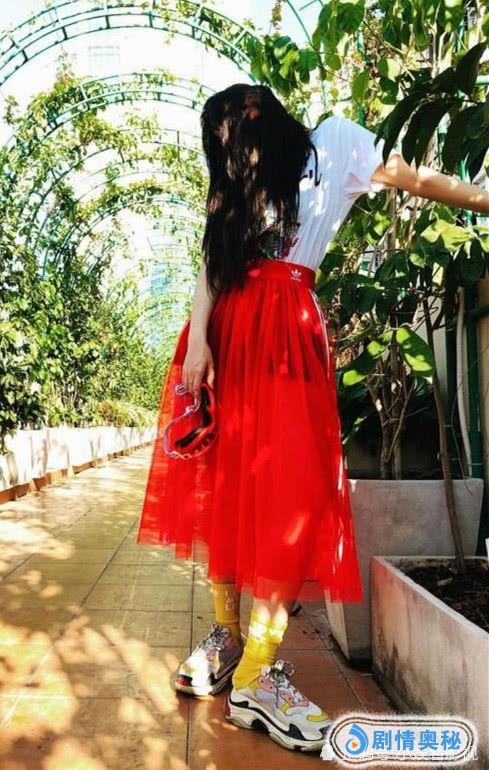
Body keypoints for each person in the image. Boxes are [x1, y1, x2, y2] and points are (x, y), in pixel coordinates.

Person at [136, 83, 489, 752]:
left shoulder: (336, 143)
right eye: (221, 146)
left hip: (286, 331)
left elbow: (418, 178)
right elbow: (212, 265)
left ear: (261, 114)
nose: (232, 154)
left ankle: (257, 674)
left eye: (237, 136)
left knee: (290, 494)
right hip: (227, 338)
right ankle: (232, 641)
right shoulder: (235, 187)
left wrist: (483, 198)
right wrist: (200, 339)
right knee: (229, 488)